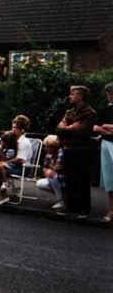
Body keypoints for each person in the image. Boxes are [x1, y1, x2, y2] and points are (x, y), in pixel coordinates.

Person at [56, 85, 97, 219]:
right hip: (69, 149)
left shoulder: (90, 113)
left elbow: (82, 132)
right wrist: (70, 127)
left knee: (82, 180)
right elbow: (58, 130)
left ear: (80, 96)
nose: (70, 96)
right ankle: (71, 207)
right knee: (70, 180)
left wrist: (65, 129)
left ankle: (84, 209)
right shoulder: (70, 112)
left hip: (82, 151)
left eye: (72, 94)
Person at [93, 81, 113, 222]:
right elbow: (95, 128)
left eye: (112, 92)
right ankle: (111, 211)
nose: (110, 95)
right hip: (106, 144)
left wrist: (105, 128)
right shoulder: (107, 108)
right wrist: (108, 128)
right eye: (109, 93)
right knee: (109, 180)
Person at [36, 135, 65, 209]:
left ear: (53, 147)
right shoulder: (48, 155)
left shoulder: (61, 152)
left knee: (52, 176)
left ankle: (61, 201)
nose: (45, 149)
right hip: (56, 179)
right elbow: (45, 168)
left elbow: (58, 167)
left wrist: (50, 171)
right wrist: (47, 171)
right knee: (40, 183)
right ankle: (63, 197)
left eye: (47, 147)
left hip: (64, 177)